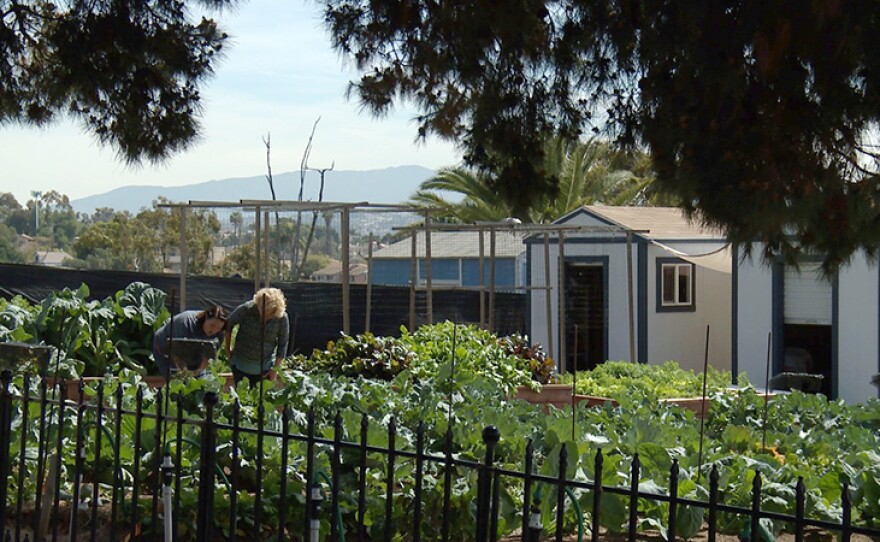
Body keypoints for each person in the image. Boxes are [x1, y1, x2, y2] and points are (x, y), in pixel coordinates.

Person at [225, 287, 290, 386]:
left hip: (265, 368)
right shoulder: (247, 309)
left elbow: (283, 343)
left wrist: (275, 369)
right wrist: (227, 349)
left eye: (268, 315)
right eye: (262, 312)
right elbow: (228, 324)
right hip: (240, 364)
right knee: (241, 396)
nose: (264, 317)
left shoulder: (282, 318)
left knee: (261, 398)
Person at [152, 305, 228, 379]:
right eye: (212, 325)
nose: (214, 330)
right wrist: (185, 374)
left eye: (218, 327)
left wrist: (198, 371)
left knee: (200, 381)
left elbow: (209, 356)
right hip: (167, 348)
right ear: (206, 317)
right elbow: (177, 354)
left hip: (193, 351)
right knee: (176, 380)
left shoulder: (220, 333)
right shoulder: (185, 323)